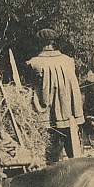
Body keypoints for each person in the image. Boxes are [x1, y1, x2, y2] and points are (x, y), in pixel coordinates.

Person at [26, 28, 85, 163]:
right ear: (54, 42)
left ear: (39, 43)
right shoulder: (68, 60)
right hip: (69, 113)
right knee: (73, 149)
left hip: (49, 114)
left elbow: (32, 87)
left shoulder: (34, 63)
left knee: (52, 150)